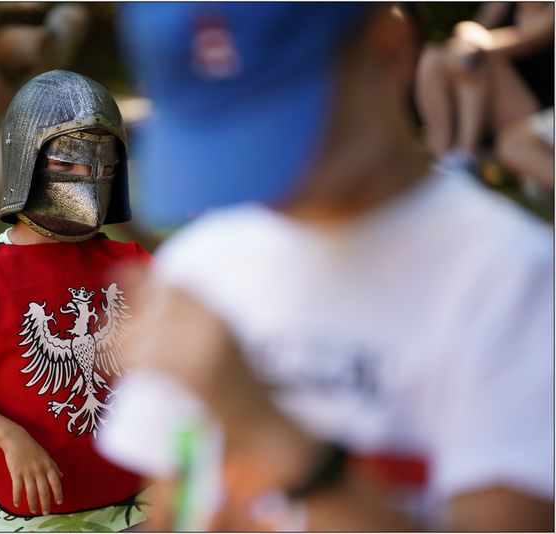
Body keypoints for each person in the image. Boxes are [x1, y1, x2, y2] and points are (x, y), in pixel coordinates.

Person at [98, 4, 553, 531]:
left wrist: (270, 433)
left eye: (281, 123)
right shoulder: (204, 262)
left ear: (389, 50)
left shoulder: (512, 279)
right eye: (219, 134)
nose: (253, 167)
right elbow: (174, 504)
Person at [0, 70, 151, 532]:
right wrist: (10, 437)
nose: (88, 180)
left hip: (133, 488)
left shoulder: (129, 263)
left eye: (104, 167)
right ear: (27, 160)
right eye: (68, 164)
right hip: (34, 498)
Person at [414, 3, 554, 168]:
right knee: (433, 57)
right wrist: (467, 33)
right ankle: (443, 154)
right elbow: (478, 28)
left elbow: (522, 42)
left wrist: (473, 41)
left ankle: (465, 155)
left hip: (535, 108)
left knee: (477, 62)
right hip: (489, 96)